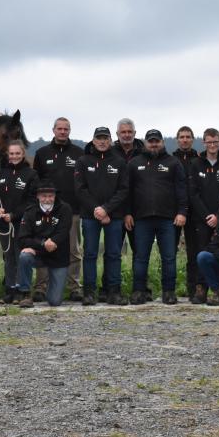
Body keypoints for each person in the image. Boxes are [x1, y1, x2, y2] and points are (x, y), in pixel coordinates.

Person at [125, 129, 188, 304]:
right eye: (151, 141)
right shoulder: (134, 163)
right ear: (145, 143)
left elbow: (181, 191)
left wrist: (182, 212)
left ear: (162, 142)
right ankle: (139, 291)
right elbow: (127, 191)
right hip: (141, 218)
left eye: (157, 141)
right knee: (140, 257)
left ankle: (169, 291)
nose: (154, 144)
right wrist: (128, 213)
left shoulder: (173, 163)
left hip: (168, 219)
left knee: (169, 256)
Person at [74, 127, 129, 305]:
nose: (103, 141)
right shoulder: (83, 161)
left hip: (114, 216)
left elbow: (123, 190)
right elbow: (80, 189)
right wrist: (97, 210)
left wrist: (107, 209)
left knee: (114, 254)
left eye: (106, 138)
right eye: (99, 138)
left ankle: (114, 292)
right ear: (93, 140)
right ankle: (89, 292)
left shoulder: (119, 162)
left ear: (111, 140)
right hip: (91, 216)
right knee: (90, 254)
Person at [33, 117, 85, 302]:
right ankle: (41, 288)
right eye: (59, 129)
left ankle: (74, 287)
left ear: (70, 130)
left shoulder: (79, 153)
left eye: (66, 129)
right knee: (44, 247)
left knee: (73, 250)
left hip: (72, 210)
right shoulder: (42, 153)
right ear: (53, 130)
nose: (63, 132)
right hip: (46, 210)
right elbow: (36, 183)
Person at [188, 128, 219, 303]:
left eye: (215, 141)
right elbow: (193, 193)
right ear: (203, 143)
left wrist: (218, 216)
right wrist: (206, 216)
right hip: (201, 220)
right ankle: (201, 288)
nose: (212, 145)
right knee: (200, 253)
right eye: (209, 142)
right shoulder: (196, 164)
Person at [0, 140, 38, 304]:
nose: (14, 156)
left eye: (17, 153)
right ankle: (10, 290)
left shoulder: (31, 174)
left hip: (23, 223)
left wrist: (14, 215)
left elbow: (32, 201)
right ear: (8, 155)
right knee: (9, 257)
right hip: (4, 224)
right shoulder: (1, 174)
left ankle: (22, 291)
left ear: (23, 154)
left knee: (21, 256)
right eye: (11, 154)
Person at [16, 181, 72, 308]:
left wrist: (53, 242)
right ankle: (25, 294)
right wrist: (41, 244)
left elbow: (63, 232)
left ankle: (49, 290)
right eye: (44, 196)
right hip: (38, 253)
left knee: (55, 301)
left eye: (50, 196)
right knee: (24, 256)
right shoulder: (30, 212)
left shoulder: (65, 208)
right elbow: (23, 238)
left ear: (55, 196)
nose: (47, 199)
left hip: (58, 255)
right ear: (38, 196)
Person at [109, 117, 144, 301]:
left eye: (130, 132)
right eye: (123, 132)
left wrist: (131, 211)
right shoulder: (110, 152)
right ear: (117, 134)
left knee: (139, 252)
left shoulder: (144, 152)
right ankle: (110, 289)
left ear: (135, 133)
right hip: (115, 212)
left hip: (139, 212)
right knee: (113, 252)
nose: (127, 135)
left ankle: (140, 288)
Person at [173, 125, 200, 300]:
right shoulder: (171, 159)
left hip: (195, 212)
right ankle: (169, 289)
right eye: (181, 137)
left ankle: (193, 289)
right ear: (177, 139)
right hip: (174, 212)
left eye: (188, 137)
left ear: (192, 139)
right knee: (170, 252)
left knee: (194, 252)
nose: (184, 139)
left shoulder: (199, 159)